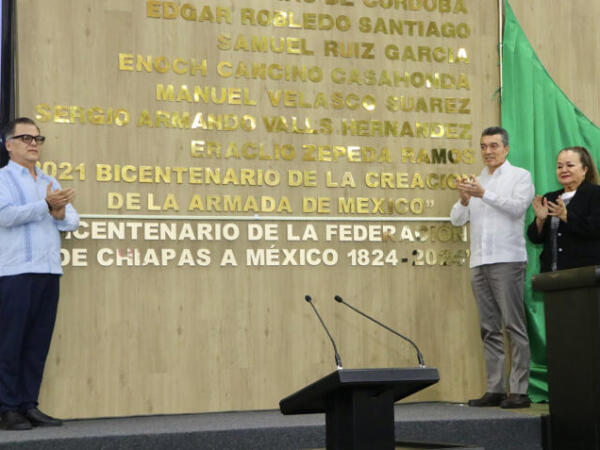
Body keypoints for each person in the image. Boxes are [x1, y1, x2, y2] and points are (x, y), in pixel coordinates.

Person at [0, 117, 79, 430]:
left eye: (37, 138)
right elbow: (5, 216)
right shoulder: (3, 178)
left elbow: (71, 221)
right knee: (10, 343)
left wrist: (58, 212)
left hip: (48, 271)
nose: (34, 144)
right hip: (14, 273)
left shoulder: (50, 180)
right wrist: (45, 206)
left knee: (36, 343)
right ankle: (7, 408)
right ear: (9, 145)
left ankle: (28, 404)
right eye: (25, 138)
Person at [450, 126, 535, 409]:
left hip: (507, 260)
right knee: (489, 328)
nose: (488, 151)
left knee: (514, 326)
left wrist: (483, 194)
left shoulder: (519, 176)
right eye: (484, 146)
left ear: (506, 148)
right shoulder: (477, 179)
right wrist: (464, 200)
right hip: (479, 261)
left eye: (494, 146)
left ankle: (519, 391)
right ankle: (495, 388)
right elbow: (457, 220)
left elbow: (517, 208)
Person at [527, 146, 600, 271]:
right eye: (559, 166)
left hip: (585, 274)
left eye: (570, 165)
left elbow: (595, 229)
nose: (563, 170)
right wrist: (540, 220)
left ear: (584, 170)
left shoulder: (595, 194)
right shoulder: (550, 198)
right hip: (552, 275)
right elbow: (535, 238)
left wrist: (566, 216)